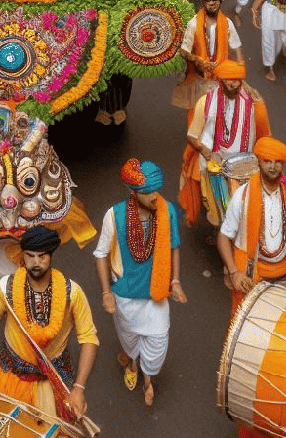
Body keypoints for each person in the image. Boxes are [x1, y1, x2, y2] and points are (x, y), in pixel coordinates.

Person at [0, 225, 98, 424]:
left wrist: (79, 389)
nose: (36, 262)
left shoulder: (72, 293)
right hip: (11, 377)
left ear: (51, 256)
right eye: (30, 256)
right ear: (23, 256)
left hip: (52, 383)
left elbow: (89, 338)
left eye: (42, 256)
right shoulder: (6, 287)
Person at [93, 160, 186, 407]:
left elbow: (174, 246)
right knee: (130, 337)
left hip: (156, 293)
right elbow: (101, 254)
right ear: (133, 193)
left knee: (158, 339)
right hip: (125, 292)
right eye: (148, 193)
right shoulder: (114, 215)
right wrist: (106, 293)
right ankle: (133, 363)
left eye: (157, 190)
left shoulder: (167, 212)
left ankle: (148, 378)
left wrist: (175, 281)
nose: (155, 197)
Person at [217, 137, 286, 319]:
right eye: (267, 161)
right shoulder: (242, 196)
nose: (273, 167)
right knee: (248, 326)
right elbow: (224, 236)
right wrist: (234, 273)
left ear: (283, 164)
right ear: (259, 162)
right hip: (252, 277)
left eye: (277, 162)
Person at [180, 60, 271, 240]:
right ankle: (220, 231)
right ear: (220, 81)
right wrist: (207, 153)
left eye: (237, 81)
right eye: (230, 80)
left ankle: (236, 239)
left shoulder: (254, 105)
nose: (234, 84)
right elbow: (192, 136)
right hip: (213, 163)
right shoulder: (204, 103)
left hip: (243, 164)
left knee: (241, 205)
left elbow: (265, 135)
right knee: (217, 204)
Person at [173, 0, 244, 114]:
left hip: (220, 75)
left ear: (220, 3)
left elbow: (236, 44)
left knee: (221, 109)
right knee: (202, 110)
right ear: (204, 4)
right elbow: (184, 51)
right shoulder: (194, 24)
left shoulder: (227, 23)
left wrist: (239, 64)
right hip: (201, 77)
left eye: (216, 1)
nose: (213, 4)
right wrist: (198, 60)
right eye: (209, 3)